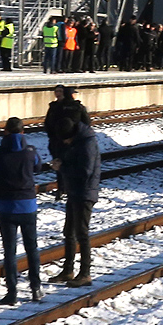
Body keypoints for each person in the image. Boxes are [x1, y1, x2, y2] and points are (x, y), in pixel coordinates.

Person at [0, 117, 44, 305]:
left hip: (6, 206)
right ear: (22, 132)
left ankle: (12, 293)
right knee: (32, 248)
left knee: (10, 251)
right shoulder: (31, 151)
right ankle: (36, 288)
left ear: (5, 131)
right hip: (28, 206)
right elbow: (38, 167)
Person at [49, 114, 100, 286]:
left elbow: (84, 172)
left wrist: (62, 167)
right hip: (74, 191)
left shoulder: (87, 143)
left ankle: (85, 273)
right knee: (69, 232)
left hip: (85, 192)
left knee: (82, 233)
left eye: (66, 140)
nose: (65, 143)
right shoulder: (77, 140)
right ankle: (68, 270)